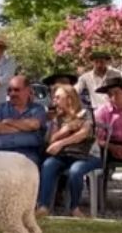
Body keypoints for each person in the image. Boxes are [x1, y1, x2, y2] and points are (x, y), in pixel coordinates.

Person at [38, 84, 99, 217]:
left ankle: (74, 207)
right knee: (48, 164)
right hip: (65, 156)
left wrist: (62, 142)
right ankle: (43, 206)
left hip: (87, 156)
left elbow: (82, 135)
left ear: (69, 99)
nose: (54, 101)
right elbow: (51, 141)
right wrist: (63, 129)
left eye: (58, 98)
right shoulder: (58, 118)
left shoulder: (85, 113)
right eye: (54, 98)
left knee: (76, 170)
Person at [0, 75, 47, 166]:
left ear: (28, 90)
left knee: (28, 167)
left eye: (16, 90)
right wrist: (24, 128)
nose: (12, 93)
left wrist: (8, 122)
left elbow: (34, 125)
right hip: (1, 152)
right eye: (9, 90)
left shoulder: (38, 109)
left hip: (28, 153)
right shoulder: (0, 108)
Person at [94, 76, 122, 174]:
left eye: (116, 92)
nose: (113, 97)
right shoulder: (102, 112)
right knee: (98, 154)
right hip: (109, 146)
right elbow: (97, 138)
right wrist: (112, 147)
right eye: (110, 94)